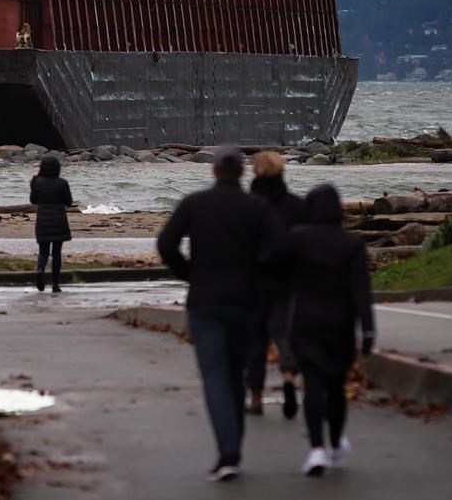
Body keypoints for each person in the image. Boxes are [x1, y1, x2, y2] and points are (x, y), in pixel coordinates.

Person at [156, 145, 283, 482]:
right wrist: (256, 274)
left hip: (205, 300)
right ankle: (233, 452)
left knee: (215, 376)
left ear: (213, 171)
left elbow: (166, 243)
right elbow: (279, 249)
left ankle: (228, 453)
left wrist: (189, 273)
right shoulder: (257, 207)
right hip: (245, 301)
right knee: (236, 373)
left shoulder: (195, 204)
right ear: (243, 172)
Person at [288, 184, 374, 477]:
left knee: (312, 385)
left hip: (306, 323)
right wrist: (369, 330)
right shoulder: (351, 244)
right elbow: (361, 290)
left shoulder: (298, 239)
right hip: (340, 324)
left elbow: (275, 271)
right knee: (336, 387)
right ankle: (336, 442)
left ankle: (316, 450)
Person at [246, 150, 305, 418]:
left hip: (254, 281)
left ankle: (256, 397)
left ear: (256, 172)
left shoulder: (247, 204)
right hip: (288, 279)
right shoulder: (296, 205)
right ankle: (290, 377)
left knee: (256, 340)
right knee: (284, 333)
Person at [29, 155, 73, 293]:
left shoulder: (37, 182)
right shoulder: (62, 183)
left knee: (43, 251)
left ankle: (40, 269)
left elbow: (33, 201)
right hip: (59, 220)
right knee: (56, 253)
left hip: (42, 221)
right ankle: (55, 284)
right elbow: (69, 202)